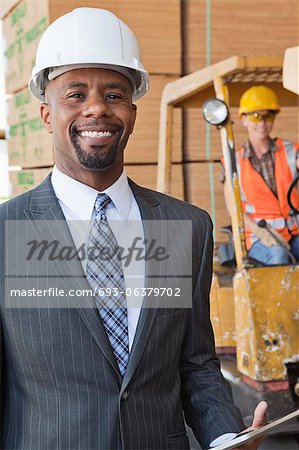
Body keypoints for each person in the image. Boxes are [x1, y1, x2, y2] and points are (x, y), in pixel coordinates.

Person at [0, 8, 267, 450]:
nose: (97, 108)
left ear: (133, 111)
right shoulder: (9, 233)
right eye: (75, 93)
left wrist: (226, 435)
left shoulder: (185, 227)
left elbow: (196, 363)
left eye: (114, 94)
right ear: (47, 114)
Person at [229, 85, 299, 265]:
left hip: (294, 232)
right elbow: (234, 209)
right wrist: (260, 232)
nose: (261, 123)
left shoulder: (291, 151)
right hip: (259, 237)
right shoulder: (234, 162)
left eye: (267, 116)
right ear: (243, 119)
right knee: (279, 256)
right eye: (255, 116)